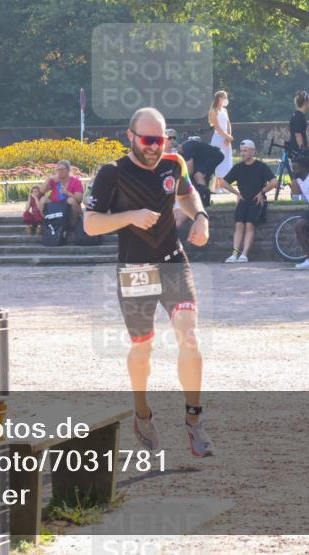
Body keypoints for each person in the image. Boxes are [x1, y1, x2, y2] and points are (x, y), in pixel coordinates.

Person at [83, 107, 214, 458]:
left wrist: (199, 216)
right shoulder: (112, 173)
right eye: (149, 140)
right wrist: (130, 217)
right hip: (135, 269)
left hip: (172, 261)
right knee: (144, 348)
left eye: (161, 139)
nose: (156, 147)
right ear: (131, 136)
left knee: (189, 335)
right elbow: (90, 224)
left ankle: (193, 419)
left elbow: (186, 194)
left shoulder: (174, 164)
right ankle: (142, 412)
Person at [222, 140, 276, 263]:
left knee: (249, 225)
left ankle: (244, 254)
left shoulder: (261, 166)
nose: (242, 153)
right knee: (239, 225)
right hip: (243, 200)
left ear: (252, 151)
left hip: (257, 200)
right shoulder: (238, 167)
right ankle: (234, 254)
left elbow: (274, 182)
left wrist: (262, 192)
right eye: (241, 151)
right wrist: (237, 193)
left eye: (245, 151)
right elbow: (223, 182)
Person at [178, 134, 225, 207]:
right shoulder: (183, 150)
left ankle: (205, 201)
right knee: (199, 175)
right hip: (208, 158)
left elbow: (190, 168)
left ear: (179, 146)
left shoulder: (186, 147)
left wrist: (187, 179)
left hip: (216, 156)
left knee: (198, 175)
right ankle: (203, 199)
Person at [39, 160, 84, 228]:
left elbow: (79, 200)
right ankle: (48, 223)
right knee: (43, 199)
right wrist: (49, 179)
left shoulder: (76, 181)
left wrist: (67, 193)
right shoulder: (55, 180)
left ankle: (72, 226)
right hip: (56, 208)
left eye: (63, 169)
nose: (60, 171)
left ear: (68, 170)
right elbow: (41, 191)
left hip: (69, 210)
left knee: (71, 200)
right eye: (58, 169)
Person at [286, 90, 309, 200]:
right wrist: (302, 149)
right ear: (306, 102)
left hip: (294, 147)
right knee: (297, 174)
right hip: (297, 149)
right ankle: (296, 198)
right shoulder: (299, 116)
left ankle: (303, 196)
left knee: (302, 174)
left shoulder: (297, 115)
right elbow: (298, 134)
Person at [208, 90, 233, 191]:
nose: (226, 99)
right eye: (224, 97)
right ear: (219, 98)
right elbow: (217, 127)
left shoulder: (225, 111)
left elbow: (228, 124)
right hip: (218, 138)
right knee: (218, 161)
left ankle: (223, 185)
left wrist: (229, 136)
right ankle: (216, 187)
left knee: (226, 161)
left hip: (226, 139)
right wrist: (226, 136)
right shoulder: (213, 111)